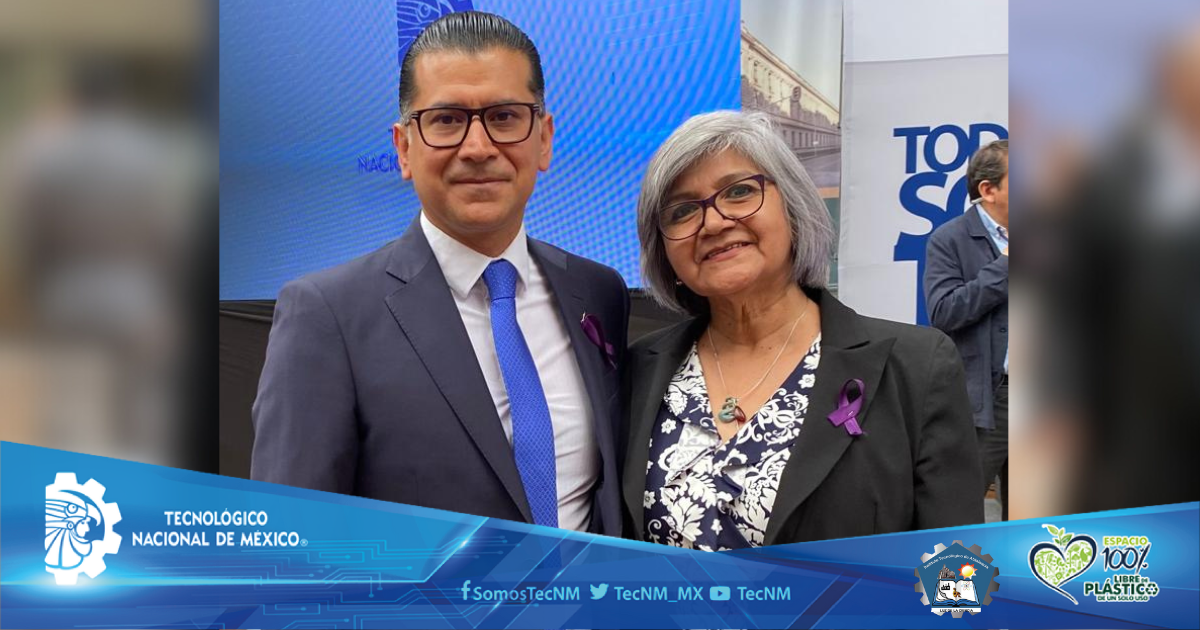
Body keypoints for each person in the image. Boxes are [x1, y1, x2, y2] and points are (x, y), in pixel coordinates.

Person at [251, 11, 629, 536]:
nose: (478, 148)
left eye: (504, 116)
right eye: (447, 120)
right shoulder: (327, 315)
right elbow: (291, 536)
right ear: (404, 147)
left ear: (544, 139)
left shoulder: (598, 293)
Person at [621, 111, 982, 550]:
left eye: (739, 191)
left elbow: (957, 570)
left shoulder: (916, 368)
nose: (713, 223)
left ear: (793, 208)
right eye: (682, 211)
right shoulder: (638, 371)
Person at [924, 140, 1009, 520]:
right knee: (958, 513)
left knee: (1039, 521)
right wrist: (1005, 266)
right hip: (989, 399)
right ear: (988, 190)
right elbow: (944, 312)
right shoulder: (950, 239)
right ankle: (954, 569)